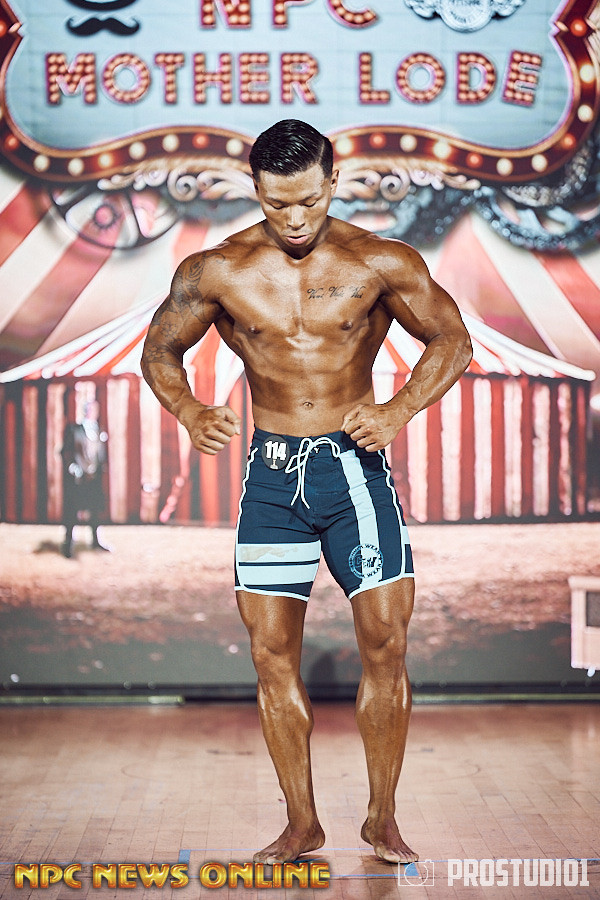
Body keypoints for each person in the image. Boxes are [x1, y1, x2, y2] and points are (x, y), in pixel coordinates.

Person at [141, 119, 472, 865]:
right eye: (277, 203)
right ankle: (302, 824)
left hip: (354, 473)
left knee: (386, 643)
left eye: (309, 201)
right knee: (270, 656)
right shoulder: (218, 270)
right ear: (255, 189)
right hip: (271, 479)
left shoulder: (380, 260)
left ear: (333, 182)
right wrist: (189, 409)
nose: (294, 219)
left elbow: (452, 338)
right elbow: (159, 349)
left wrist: (398, 409)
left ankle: (382, 818)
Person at [61, 399, 109, 558]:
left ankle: (95, 541)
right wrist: (71, 467)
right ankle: (68, 544)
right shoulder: (74, 429)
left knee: (94, 511)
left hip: (93, 478)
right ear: (85, 411)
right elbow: (65, 451)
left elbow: (100, 453)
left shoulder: (99, 430)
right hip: (78, 478)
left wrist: (101, 468)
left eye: (95, 409)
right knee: (72, 511)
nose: (93, 412)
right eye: (90, 409)